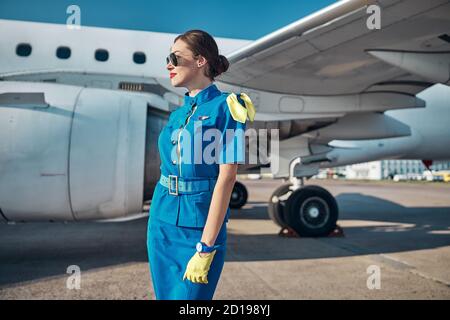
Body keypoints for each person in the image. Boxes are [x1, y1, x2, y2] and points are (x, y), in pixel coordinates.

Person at [146, 29, 255, 300]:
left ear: (200, 61)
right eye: (167, 58)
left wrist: (206, 247)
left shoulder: (228, 107)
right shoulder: (177, 115)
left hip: (199, 227)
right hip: (161, 222)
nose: (168, 64)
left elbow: (227, 178)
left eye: (175, 57)